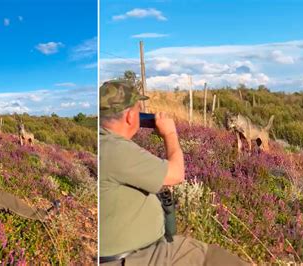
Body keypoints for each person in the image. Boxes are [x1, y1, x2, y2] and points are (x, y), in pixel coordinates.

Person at [99, 80, 250, 266]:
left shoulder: (105, 142)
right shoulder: (116, 150)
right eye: (139, 109)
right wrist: (170, 134)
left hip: (145, 251)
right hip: (139, 258)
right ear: (130, 116)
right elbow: (176, 174)